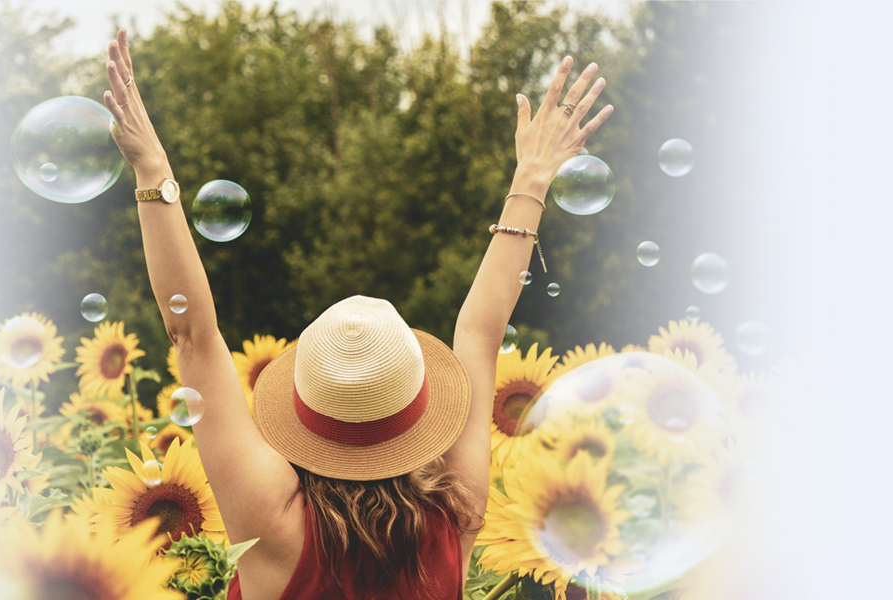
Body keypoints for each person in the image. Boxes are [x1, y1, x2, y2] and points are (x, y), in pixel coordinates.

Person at [99, 28, 613, 600]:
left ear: (305, 408)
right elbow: (480, 333)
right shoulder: (453, 519)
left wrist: (152, 171)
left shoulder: (271, 522)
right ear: (418, 417)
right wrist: (532, 177)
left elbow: (193, 334)